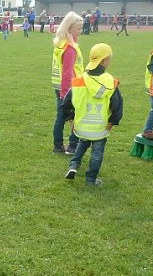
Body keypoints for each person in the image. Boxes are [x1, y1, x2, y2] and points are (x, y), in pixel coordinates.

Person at [63, 44, 123, 187]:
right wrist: (113, 121)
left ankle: (73, 166)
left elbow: (66, 103)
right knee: (97, 153)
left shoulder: (78, 81)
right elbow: (118, 104)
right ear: (104, 61)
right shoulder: (110, 82)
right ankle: (91, 179)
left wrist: (70, 118)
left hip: (82, 126)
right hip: (100, 128)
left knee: (82, 144)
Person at [51, 12, 84, 154]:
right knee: (74, 116)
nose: (81, 32)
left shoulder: (61, 43)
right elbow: (67, 72)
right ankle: (72, 145)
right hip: (69, 87)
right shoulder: (69, 48)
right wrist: (65, 94)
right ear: (69, 28)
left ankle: (58, 145)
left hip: (59, 85)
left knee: (62, 116)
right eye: (78, 29)